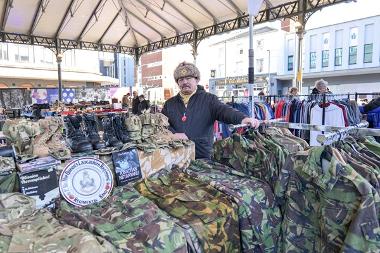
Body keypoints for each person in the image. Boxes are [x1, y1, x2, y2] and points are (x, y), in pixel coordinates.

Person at [162, 61, 260, 159]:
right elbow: (162, 125)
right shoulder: (169, 104)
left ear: (196, 80)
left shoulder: (209, 99)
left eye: (188, 78)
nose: (185, 82)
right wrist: (173, 134)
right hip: (176, 155)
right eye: (181, 79)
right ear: (177, 82)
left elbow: (224, 111)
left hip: (201, 156)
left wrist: (243, 119)